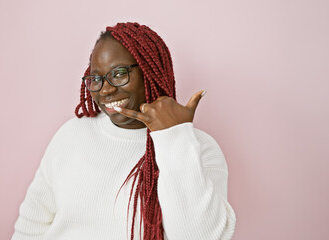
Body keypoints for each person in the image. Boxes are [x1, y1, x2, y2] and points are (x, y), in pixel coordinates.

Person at [12, 22, 236, 240]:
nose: (106, 89)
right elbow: (31, 226)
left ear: (148, 72)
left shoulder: (199, 149)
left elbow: (199, 236)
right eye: (96, 79)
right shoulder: (71, 135)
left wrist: (174, 136)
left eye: (119, 73)